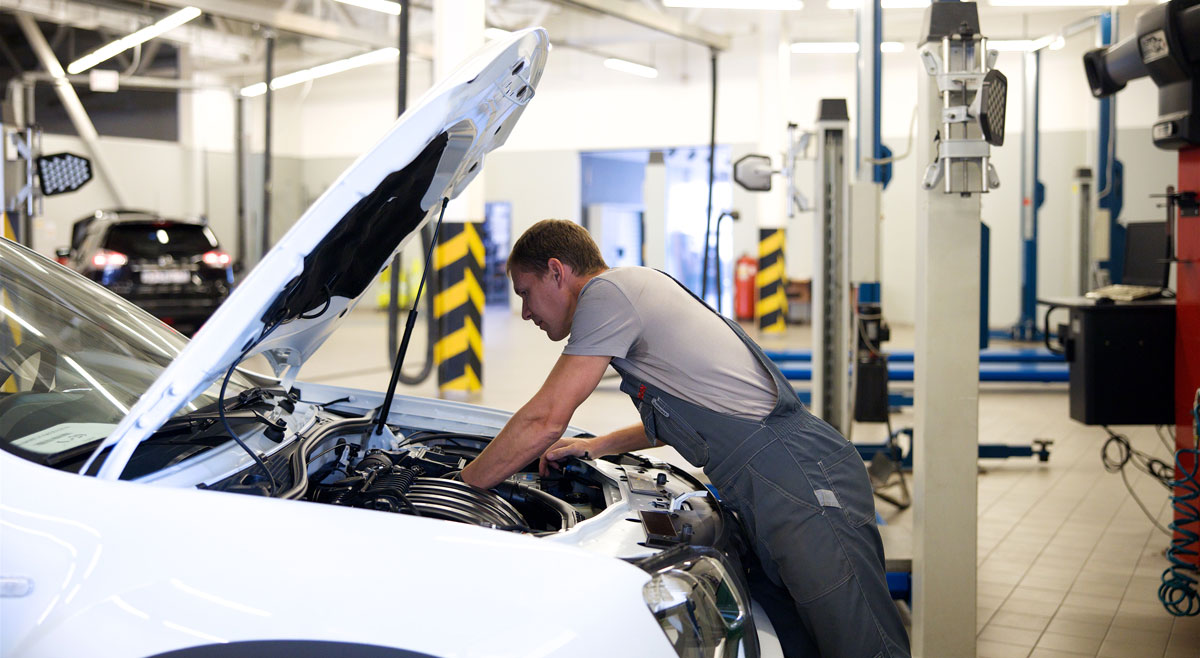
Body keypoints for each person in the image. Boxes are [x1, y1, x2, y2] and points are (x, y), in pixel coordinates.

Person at [460, 219, 910, 658]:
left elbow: (545, 419)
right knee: (801, 639)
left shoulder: (606, 294)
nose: (525, 312)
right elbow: (696, 410)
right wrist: (600, 445)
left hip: (801, 481)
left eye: (525, 293)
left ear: (557, 271)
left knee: (861, 643)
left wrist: (468, 484)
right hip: (774, 482)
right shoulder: (633, 288)